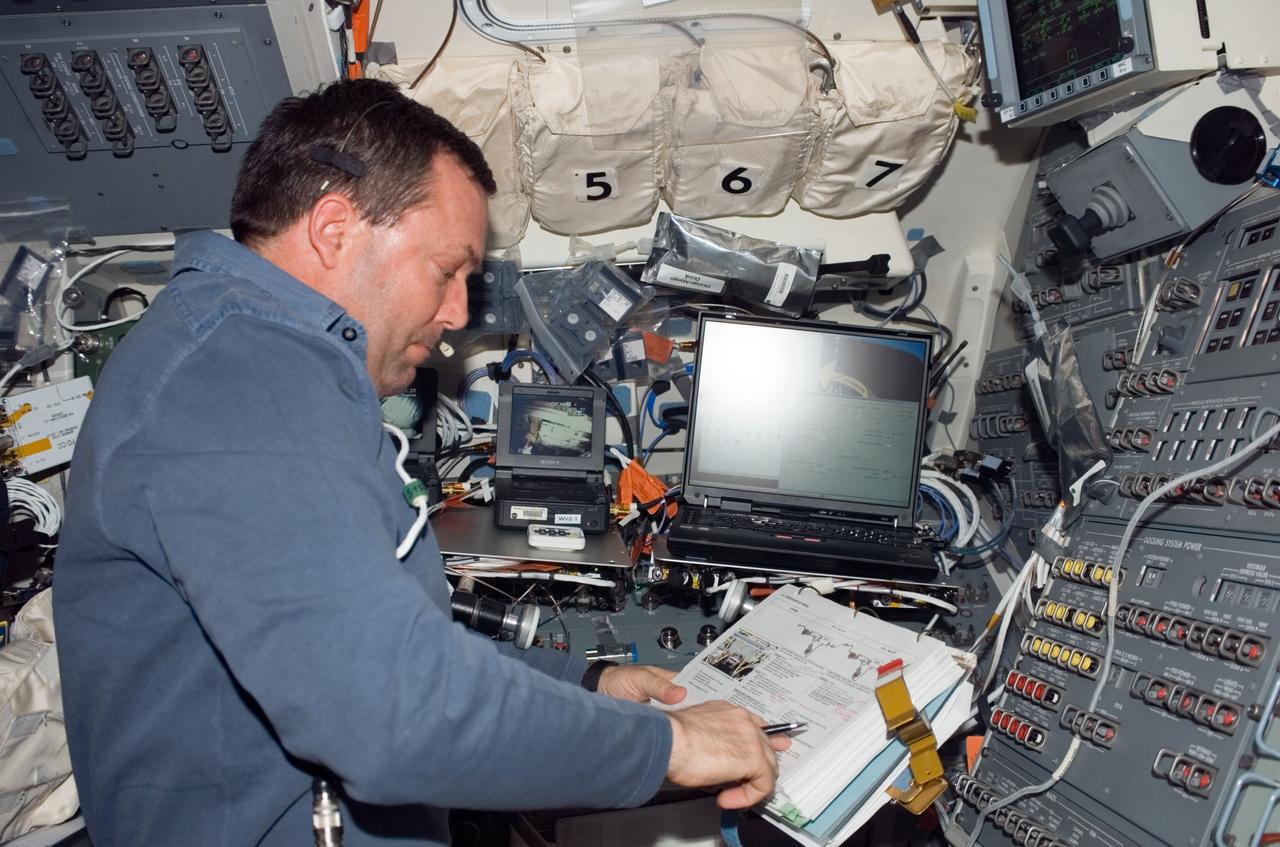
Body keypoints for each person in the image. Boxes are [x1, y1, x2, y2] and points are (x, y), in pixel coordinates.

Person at [53, 79, 786, 846]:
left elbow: (388, 639)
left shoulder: (250, 358)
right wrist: (674, 746)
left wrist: (588, 683)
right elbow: (392, 711)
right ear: (335, 228)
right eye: (448, 271)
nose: (459, 315)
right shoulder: (239, 375)